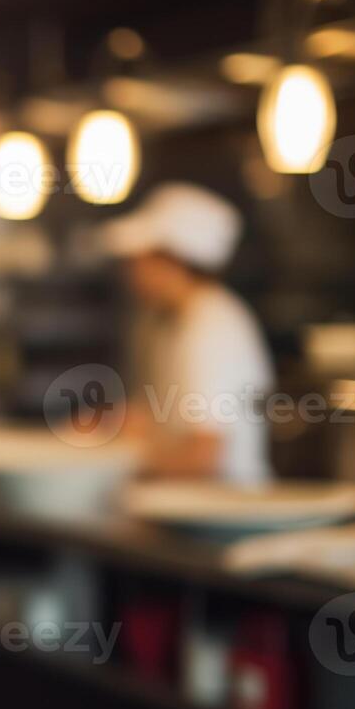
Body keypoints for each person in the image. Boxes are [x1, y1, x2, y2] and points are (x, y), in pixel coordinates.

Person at [105, 182, 275, 485]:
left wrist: (107, 469)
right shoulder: (168, 321)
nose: (129, 272)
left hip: (226, 508)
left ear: (172, 261)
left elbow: (204, 457)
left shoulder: (210, 327)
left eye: (139, 259)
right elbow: (159, 417)